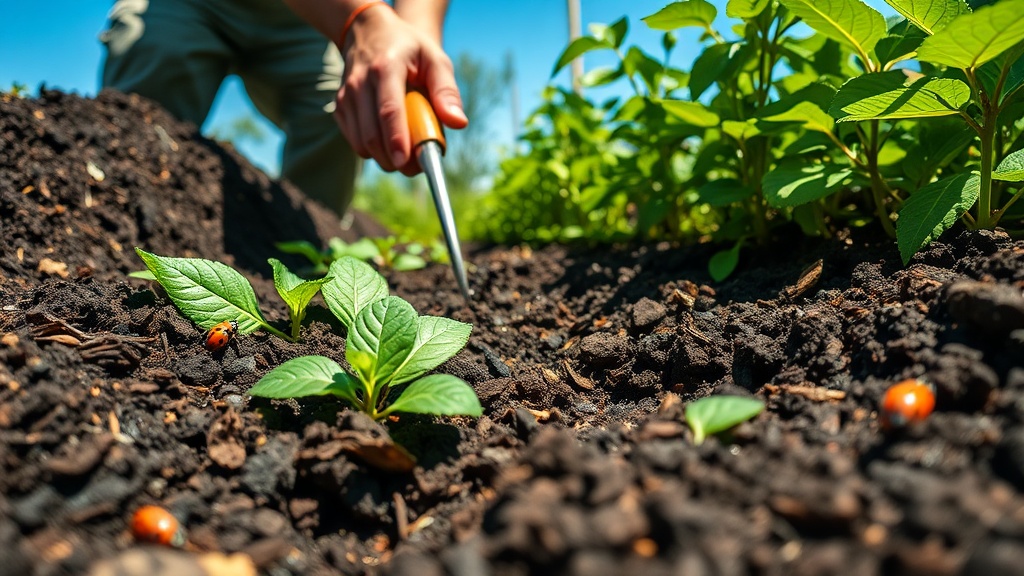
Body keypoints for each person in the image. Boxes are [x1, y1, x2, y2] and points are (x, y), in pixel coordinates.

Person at [100, 0, 468, 217]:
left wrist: (417, 35)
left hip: (306, 19)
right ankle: (120, 235)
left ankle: (304, 270)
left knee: (335, 110)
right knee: (150, 83)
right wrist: (362, 19)